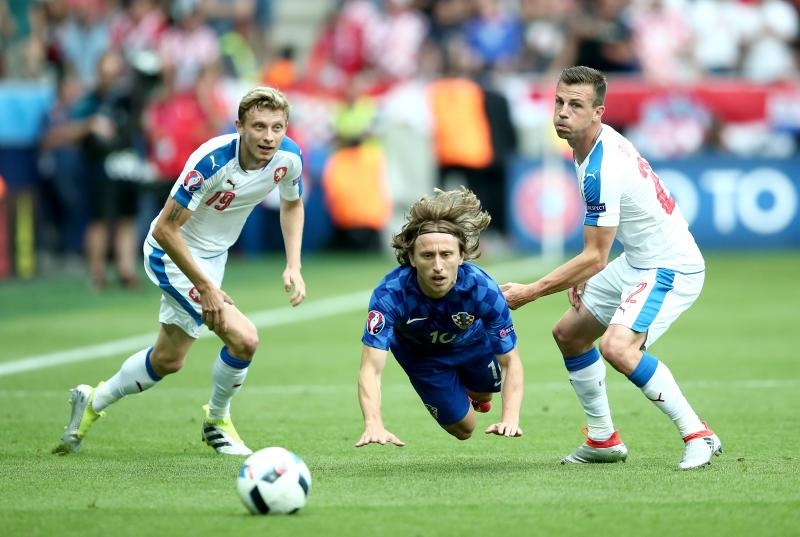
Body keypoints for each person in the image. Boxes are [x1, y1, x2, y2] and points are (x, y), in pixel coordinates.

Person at [53, 86, 306, 456]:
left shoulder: (289, 157)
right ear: (239, 126)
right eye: (259, 127)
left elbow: (292, 204)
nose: (269, 137)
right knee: (245, 338)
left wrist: (294, 264)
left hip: (212, 259)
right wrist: (206, 287)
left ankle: (92, 401)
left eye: (277, 127)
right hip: (171, 254)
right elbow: (164, 229)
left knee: (168, 360)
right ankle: (217, 422)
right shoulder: (211, 163)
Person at [501, 66, 722, 470]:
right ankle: (603, 439)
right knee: (569, 333)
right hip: (638, 259)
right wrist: (586, 272)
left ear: (598, 111)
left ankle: (698, 434)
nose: (562, 113)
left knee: (618, 347)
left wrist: (530, 291)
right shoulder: (584, 145)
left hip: (669, 266)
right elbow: (596, 253)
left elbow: (594, 256)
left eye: (576, 106)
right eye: (559, 102)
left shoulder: (603, 165)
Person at [356, 187, 524, 447]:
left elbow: (510, 362)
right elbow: (371, 367)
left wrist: (510, 418)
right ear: (411, 258)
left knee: (486, 389)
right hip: (421, 356)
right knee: (464, 429)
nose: (437, 265)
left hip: (471, 342)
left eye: (446, 255)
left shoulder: (482, 289)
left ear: (461, 257)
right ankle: (458, 398)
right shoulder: (390, 294)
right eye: (427, 255)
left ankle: (476, 394)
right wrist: (373, 423)